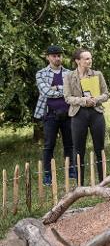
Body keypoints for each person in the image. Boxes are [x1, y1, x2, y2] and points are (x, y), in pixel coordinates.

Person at [64, 48, 109, 185]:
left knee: (99, 148)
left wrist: (96, 100)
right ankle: (80, 184)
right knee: (78, 149)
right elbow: (67, 98)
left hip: (96, 113)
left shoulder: (97, 74)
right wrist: (83, 100)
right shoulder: (69, 76)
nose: (90, 61)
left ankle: (102, 182)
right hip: (78, 114)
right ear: (77, 61)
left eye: (90, 58)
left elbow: (106, 94)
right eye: (86, 58)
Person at [34, 45, 75, 186]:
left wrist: (56, 88)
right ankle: (47, 175)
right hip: (50, 115)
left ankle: (71, 171)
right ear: (48, 57)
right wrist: (64, 89)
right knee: (48, 145)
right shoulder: (40, 74)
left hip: (68, 114)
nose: (57, 58)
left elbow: (74, 91)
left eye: (59, 55)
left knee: (69, 144)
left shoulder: (70, 73)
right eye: (54, 56)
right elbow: (46, 92)